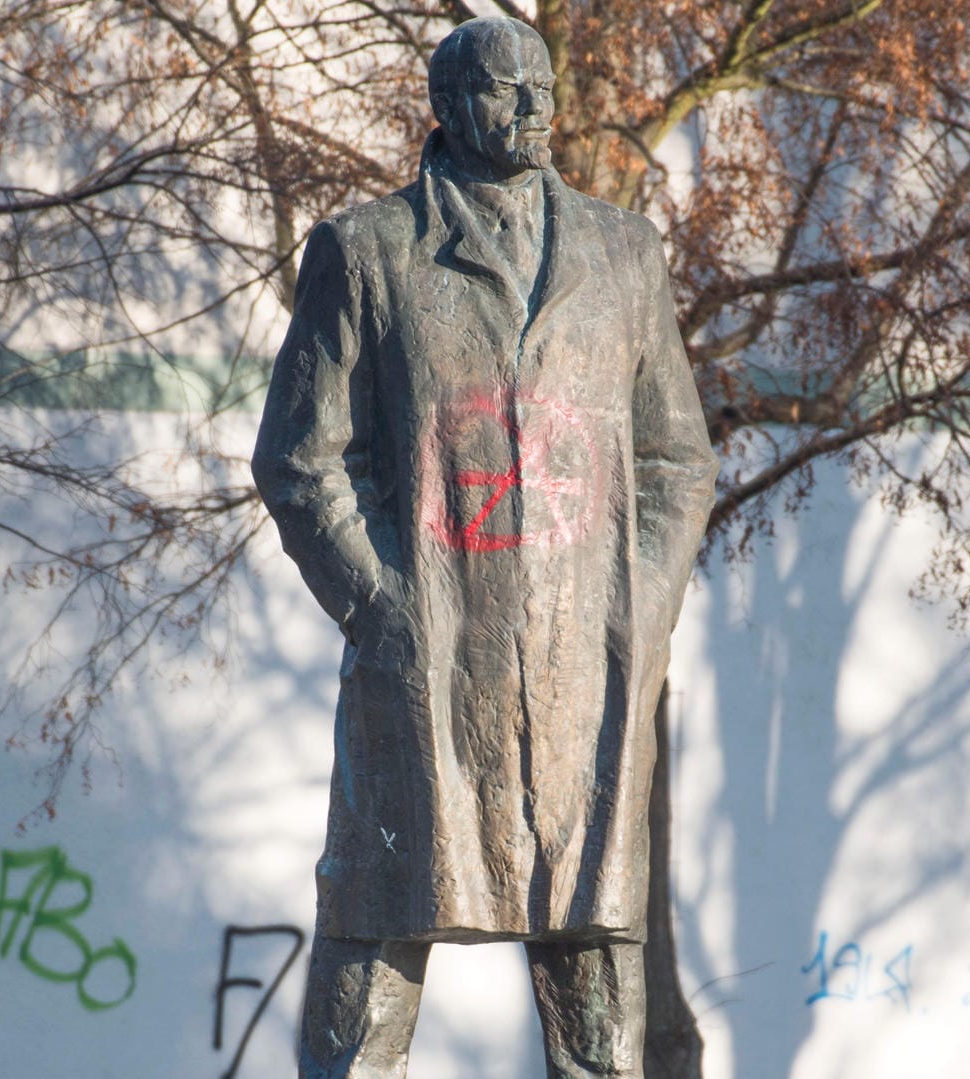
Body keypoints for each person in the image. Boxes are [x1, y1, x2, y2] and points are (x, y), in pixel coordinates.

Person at [251, 15, 719, 1078]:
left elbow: (676, 462)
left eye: (543, 88)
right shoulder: (366, 251)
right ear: (448, 104)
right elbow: (298, 455)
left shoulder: (621, 251)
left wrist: (637, 604)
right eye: (506, 90)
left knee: (597, 978)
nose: (533, 109)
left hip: (583, 666)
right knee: (374, 945)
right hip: (427, 653)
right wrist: (382, 603)